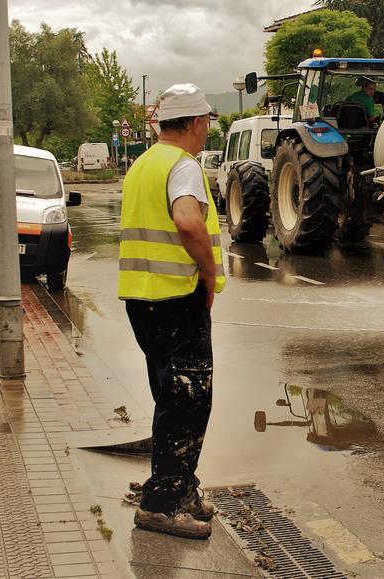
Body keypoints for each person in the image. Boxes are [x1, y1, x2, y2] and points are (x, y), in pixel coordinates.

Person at [118, 83, 227, 539]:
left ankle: (180, 486)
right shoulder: (183, 167)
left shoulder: (143, 164)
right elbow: (186, 220)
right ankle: (160, 504)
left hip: (142, 301)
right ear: (197, 123)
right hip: (176, 298)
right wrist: (207, 272)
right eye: (206, 124)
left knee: (171, 395)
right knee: (188, 400)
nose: (206, 134)